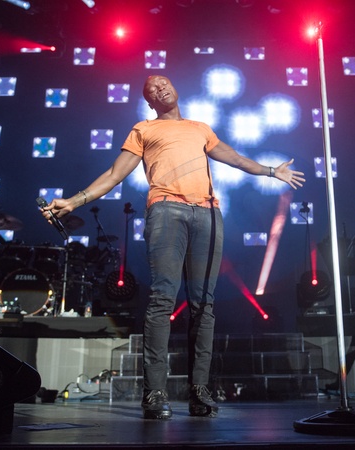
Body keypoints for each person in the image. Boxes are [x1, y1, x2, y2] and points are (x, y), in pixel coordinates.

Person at [41, 75, 305, 419]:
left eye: (164, 82)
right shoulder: (144, 129)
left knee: (203, 305)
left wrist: (271, 171)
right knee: (162, 299)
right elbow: (114, 174)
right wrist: (74, 201)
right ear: (149, 102)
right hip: (167, 211)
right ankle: (154, 392)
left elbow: (236, 159)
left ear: (176, 88)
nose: (160, 87)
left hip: (208, 214)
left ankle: (200, 391)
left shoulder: (200, 128)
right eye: (152, 88)